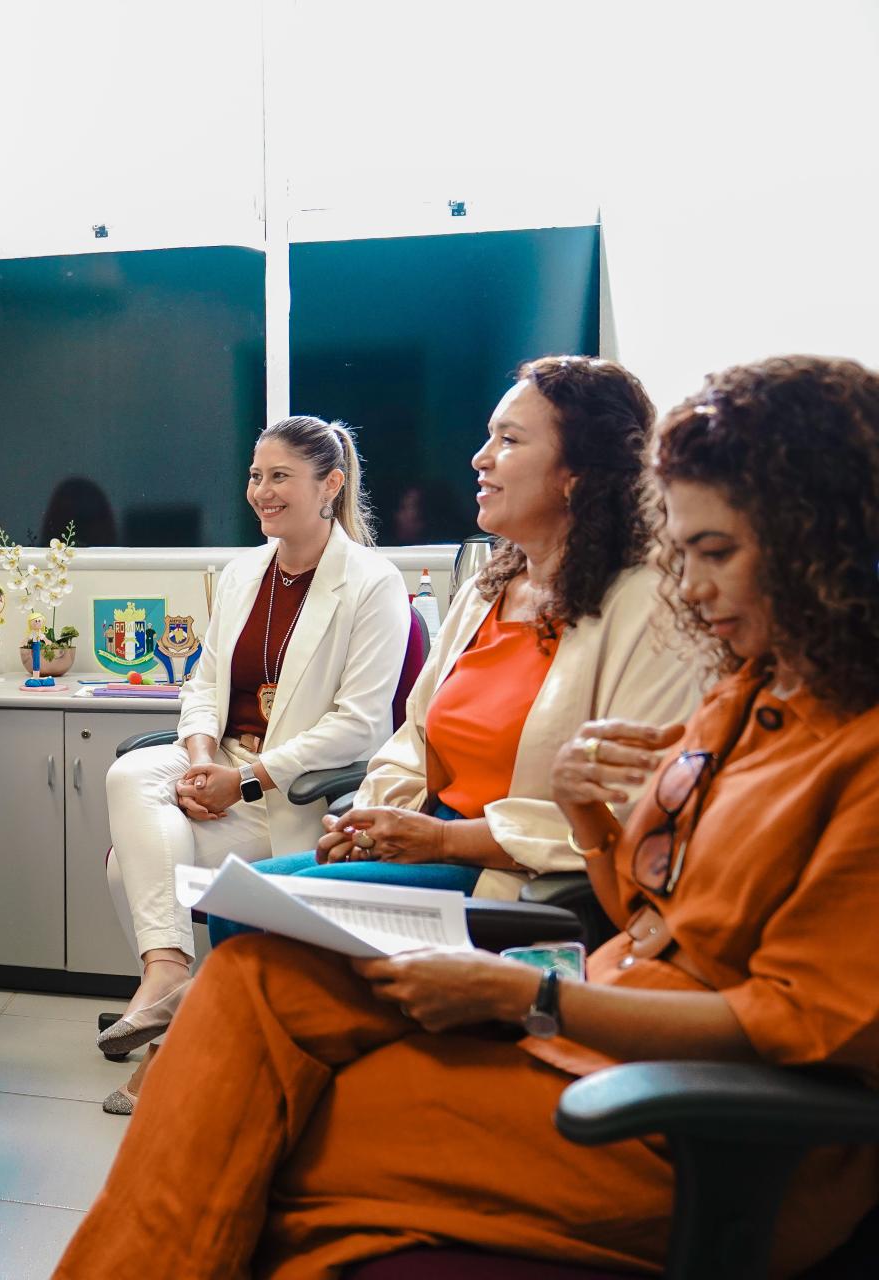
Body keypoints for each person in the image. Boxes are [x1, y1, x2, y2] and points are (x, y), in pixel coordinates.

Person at [54, 354, 879, 1280]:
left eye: (715, 555)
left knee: (261, 1149)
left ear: (826, 544)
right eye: (682, 554)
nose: (688, 588)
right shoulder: (753, 697)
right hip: (597, 1008)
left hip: (692, 1121)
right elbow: (646, 904)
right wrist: (592, 815)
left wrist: (525, 994)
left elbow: (793, 1025)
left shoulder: (856, 756)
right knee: (251, 986)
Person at [221, 357, 702, 909]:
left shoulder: (650, 606)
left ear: (582, 472)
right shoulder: (486, 593)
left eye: (510, 440)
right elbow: (412, 742)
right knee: (242, 905)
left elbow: (631, 809)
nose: (481, 457)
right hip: (431, 842)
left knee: (253, 914)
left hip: (512, 875)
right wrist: (368, 823)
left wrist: (446, 838)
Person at [96, 418, 410, 1106]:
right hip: (228, 764)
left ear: (329, 486)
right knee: (128, 774)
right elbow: (204, 685)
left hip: (298, 796)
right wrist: (203, 761)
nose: (261, 491)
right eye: (255, 476)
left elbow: (359, 726)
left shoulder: (373, 584)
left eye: (279, 477)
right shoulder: (243, 574)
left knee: (129, 864)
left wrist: (242, 781)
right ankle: (171, 972)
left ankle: (169, 1036)